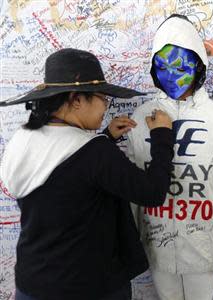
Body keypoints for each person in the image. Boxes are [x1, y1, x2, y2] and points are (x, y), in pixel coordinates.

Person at [0, 48, 174, 300]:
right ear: (76, 100)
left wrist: (107, 137)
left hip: (32, 284)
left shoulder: (22, 139)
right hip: (89, 286)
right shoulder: (95, 154)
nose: (106, 106)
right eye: (102, 98)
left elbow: (66, 180)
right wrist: (162, 136)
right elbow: (153, 192)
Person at [127, 14, 213, 300]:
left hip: (203, 244)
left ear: (198, 61)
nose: (173, 73)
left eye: (180, 63)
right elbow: (131, 188)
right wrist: (128, 247)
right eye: (163, 65)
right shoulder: (142, 116)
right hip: (156, 243)